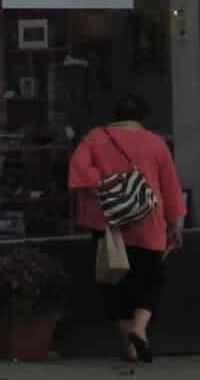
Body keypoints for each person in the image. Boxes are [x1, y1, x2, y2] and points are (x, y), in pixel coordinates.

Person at [69, 95, 186, 363]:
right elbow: (170, 187)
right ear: (142, 117)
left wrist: (104, 182)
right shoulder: (156, 143)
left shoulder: (96, 138)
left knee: (114, 284)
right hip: (149, 221)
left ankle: (130, 348)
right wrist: (175, 224)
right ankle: (139, 329)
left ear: (116, 114)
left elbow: (77, 169)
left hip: (109, 224)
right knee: (153, 279)